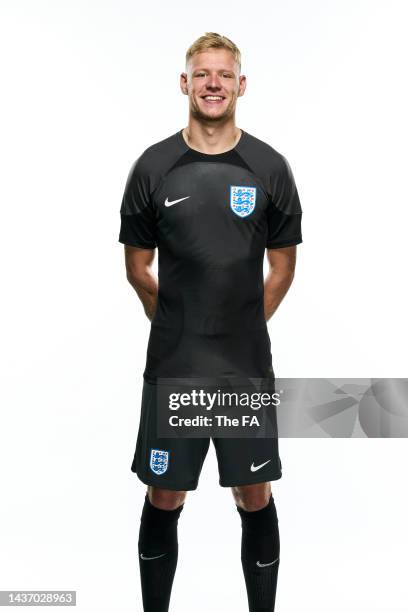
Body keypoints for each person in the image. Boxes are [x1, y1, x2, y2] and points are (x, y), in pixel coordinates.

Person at [119, 32, 302, 612]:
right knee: (165, 495)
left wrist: (240, 323)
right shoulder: (153, 167)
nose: (214, 84)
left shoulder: (269, 167)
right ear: (185, 83)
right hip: (174, 362)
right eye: (202, 74)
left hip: (244, 368)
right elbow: (137, 268)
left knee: (254, 495)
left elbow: (282, 267)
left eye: (224, 75)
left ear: (241, 85)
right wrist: (179, 321)